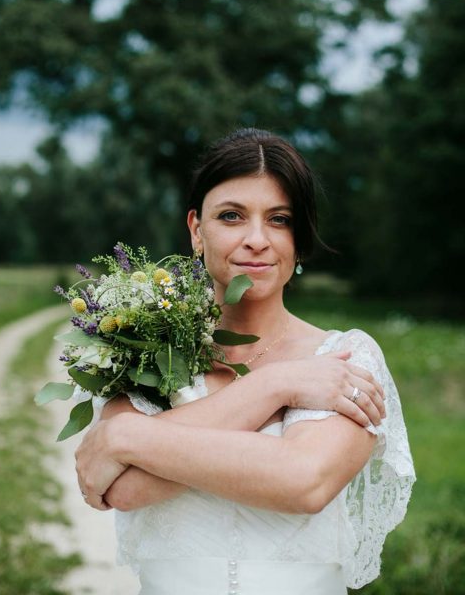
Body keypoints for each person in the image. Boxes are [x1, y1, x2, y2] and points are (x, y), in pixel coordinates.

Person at [76, 128, 415, 594]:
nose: (257, 239)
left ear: (299, 237)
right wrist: (275, 387)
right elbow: (122, 489)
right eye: (232, 216)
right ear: (197, 229)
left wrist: (125, 435)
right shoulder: (143, 348)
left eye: (279, 219)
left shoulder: (345, 357)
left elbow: (303, 482)